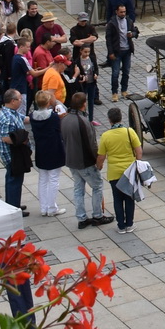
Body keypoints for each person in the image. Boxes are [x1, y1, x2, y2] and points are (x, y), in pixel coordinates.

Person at [61, 92, 110, 229]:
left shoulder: (65, 119)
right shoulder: (83, 122)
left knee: (78, 188)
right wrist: (97, 161)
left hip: (71, 159)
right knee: (97, 186)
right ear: (84, 104)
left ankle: (81, 218)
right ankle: (97, 216)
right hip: (84, 161)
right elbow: (92, 144)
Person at [97, 106, 142, 234]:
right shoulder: (129, 132)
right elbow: (139, 151)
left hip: (114, 172)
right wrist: (137, 164)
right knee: (129, 198)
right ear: (121, 118)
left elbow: (101, 156)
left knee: (117, 199)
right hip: (129, 172)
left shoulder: (105, 136)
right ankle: (129, 224)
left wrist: (98, 167)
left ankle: (121, 226)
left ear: (109, 120)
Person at [30, 89, 67, 218]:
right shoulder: (53, 117)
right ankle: (51, 208)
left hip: (41, 149)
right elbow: (59, 127)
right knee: (53, 179)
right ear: (47, 103)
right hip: (54, 149)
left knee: (43, 179)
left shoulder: (32, 116)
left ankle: (43, 207)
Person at [0, 89, 30, 216]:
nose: (21, 101)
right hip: (12, 155)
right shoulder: (7, 118)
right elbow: (5, 138)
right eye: (20, 99)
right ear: (13, 101)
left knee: (15, 180)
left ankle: (14, 203)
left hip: (15, 153)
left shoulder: (11, 112)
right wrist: (22, 141)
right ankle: (13, 208)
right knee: (14, 181)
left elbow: (24, 119)